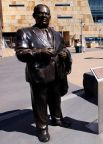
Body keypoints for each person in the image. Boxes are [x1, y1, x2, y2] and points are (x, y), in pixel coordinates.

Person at [15, 4, 72, 142]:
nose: (44, 16)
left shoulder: (56, 34)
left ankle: (57, 119)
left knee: (56, 99)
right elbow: (20, 53)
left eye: (47, 14)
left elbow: (63, 48)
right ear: (34, 16)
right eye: (41, 14)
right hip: (39, 74)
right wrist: (40, 52)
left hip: (57, 73)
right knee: (40, 102)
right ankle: (41, 128)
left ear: (50, 17)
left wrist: (66, 54)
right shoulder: (25, 32)